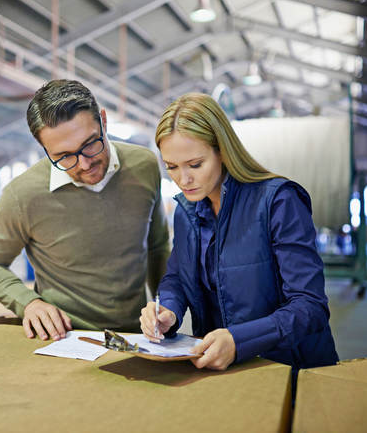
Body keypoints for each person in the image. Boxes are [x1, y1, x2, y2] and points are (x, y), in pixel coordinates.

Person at [139, 93, 338, 371]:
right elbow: (177, 277)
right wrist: (167, 311)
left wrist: (239, 340)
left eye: (195, 164)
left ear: (222, 150)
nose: (183, 179)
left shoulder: (278, 202)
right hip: (223, 367)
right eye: (172, 167)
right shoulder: (188, 210)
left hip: (290, 367)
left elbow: (310, 307)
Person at [0, 79, 170, 341]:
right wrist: (28, 303)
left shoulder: (143, 166)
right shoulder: (23, 195)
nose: (85, 163)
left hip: (135, 336)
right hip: (65, 340)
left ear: (103, 120)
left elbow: (157, 246)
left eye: (90, 143)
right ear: (44, 149)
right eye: (64, 156)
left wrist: (165, 304)